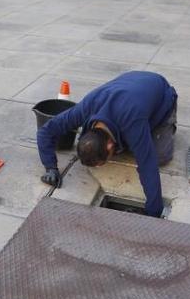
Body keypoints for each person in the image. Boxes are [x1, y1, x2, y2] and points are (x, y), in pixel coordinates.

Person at [37, 71, 178, 218]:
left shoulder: (132, 121)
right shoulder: (86, 107)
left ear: (110, 145)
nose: (100, 167)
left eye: (100, 163)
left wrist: (153, 212)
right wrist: (50, 167)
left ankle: (168, 123)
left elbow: (148, 165)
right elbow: (45, 131)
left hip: (162, 97)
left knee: (159, 156)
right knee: (133, 142)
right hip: (132, 84)